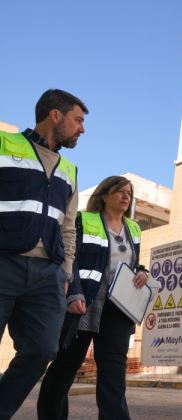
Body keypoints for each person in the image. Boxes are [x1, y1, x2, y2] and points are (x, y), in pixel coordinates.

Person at [0, 89, 87, 418]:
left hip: (47, 275)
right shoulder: (5, 145)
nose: (82, 129)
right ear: (55, 115)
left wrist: (65, 272)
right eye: (78, 120)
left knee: (42, 349)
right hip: (3, 262)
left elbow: (68, 228)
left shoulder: (70, 170)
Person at [37, 176, 148, 420]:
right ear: (104, 194)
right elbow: (71, 257)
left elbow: (133, 262)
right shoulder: (84, 220)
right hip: (84, 303)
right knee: (66, 367)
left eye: (129, 193)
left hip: (119, 308)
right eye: (119, 191)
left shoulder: (134, 228)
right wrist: (74, 291)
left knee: (114, 373)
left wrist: (142, 271)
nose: (125, 196)